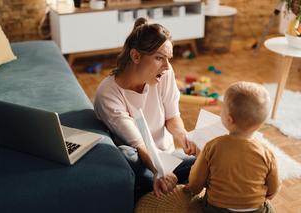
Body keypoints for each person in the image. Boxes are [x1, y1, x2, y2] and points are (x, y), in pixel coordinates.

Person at [94, 17, 197, 198]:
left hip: (168, 156)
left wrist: (183, 136)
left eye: (168, 59)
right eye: (159, 58)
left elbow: (172, 117)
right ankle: (162, 182)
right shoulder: (109, 94)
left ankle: (165, 183)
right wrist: (159, 169)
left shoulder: (164, 73)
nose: (166, 66)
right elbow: (139, 144)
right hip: (142, 160)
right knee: (126, 154)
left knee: (211, 160)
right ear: (135, 56)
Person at [187, 81, 281, 213]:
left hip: (216, 209)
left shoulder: (212, 146)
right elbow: (273, 189)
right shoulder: (267, 153)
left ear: (229, 119)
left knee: (194, 206)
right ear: (261, 123)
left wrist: (192, 186)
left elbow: (195, 184)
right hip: (255, 210)